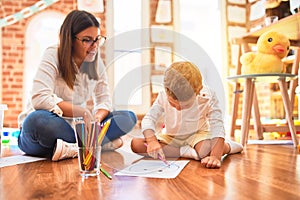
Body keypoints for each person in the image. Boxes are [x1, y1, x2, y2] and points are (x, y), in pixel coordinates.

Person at [18, 10, 137, 161]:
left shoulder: (96, 63)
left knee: (128, 117)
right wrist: (83, 112)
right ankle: (97, 145)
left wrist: (96, 119)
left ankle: (73, 148)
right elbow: (39, 98)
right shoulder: (53, 54)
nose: (94, 46)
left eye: (97, 39)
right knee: (37, 121)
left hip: (77, 131)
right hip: (45, 131)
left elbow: (104, 101)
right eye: (87, 40)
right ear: (70, 39)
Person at [131, 61, 243, 168]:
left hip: (198, 135)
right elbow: (149, 119)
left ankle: (228, 146)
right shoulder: (163, 95)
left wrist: (215, 156)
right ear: (166, 90)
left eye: (185, 105)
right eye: (173, 104)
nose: (179, 109)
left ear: (198, 91)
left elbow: (217, 126)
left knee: (207, 151)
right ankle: (189, 152)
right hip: (171, 137)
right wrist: (152, 141)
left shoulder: (208, 96)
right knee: (136, 144)